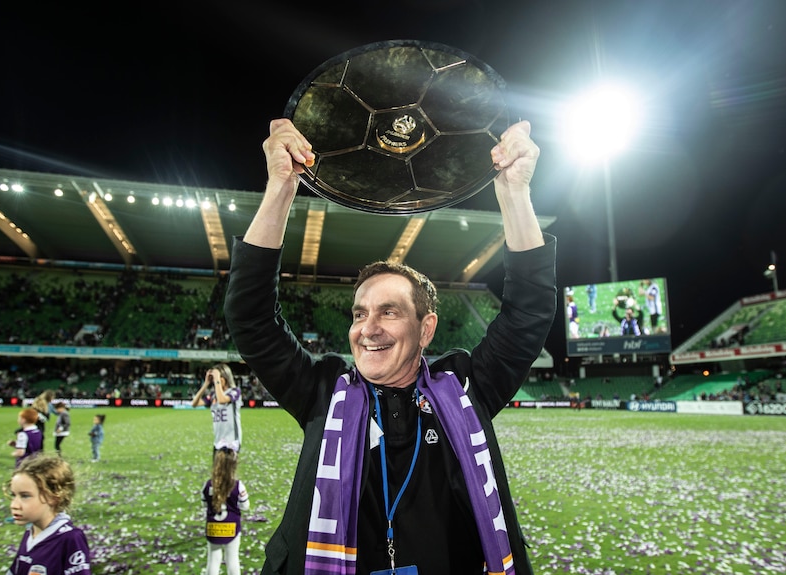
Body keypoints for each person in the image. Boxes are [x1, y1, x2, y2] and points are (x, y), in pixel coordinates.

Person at [223, 118, 556, 575]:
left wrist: (515, 193)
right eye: (360, 313)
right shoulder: (322, 391)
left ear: (427, 329)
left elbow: (527, 314)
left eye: (389, 311)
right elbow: (251, 319)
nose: (368, 328)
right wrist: (280, 187)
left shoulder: (466, 388)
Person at [5, 453, 91, 575]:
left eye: (25, 496)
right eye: (14, 495)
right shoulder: (31, 531)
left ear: (53, 497)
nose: (14, 505)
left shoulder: (70, 538)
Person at [201, 441, 250, 575]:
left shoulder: (208, 485)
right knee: (232, 560)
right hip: (231, 527)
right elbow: (245, 506)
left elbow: (204, 504)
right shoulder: (238, 485)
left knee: (213, 561)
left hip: (213, 528)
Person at [191, 363, 243, 452]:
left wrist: (217, 380)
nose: (215, 381)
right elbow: (194, 403)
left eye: (219, 378)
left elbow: (222, 400)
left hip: (231, 442)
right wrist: (206, 383)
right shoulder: (213, 395)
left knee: (226, 466)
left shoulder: (234, 391)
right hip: (218, 442)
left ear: (225, 377)